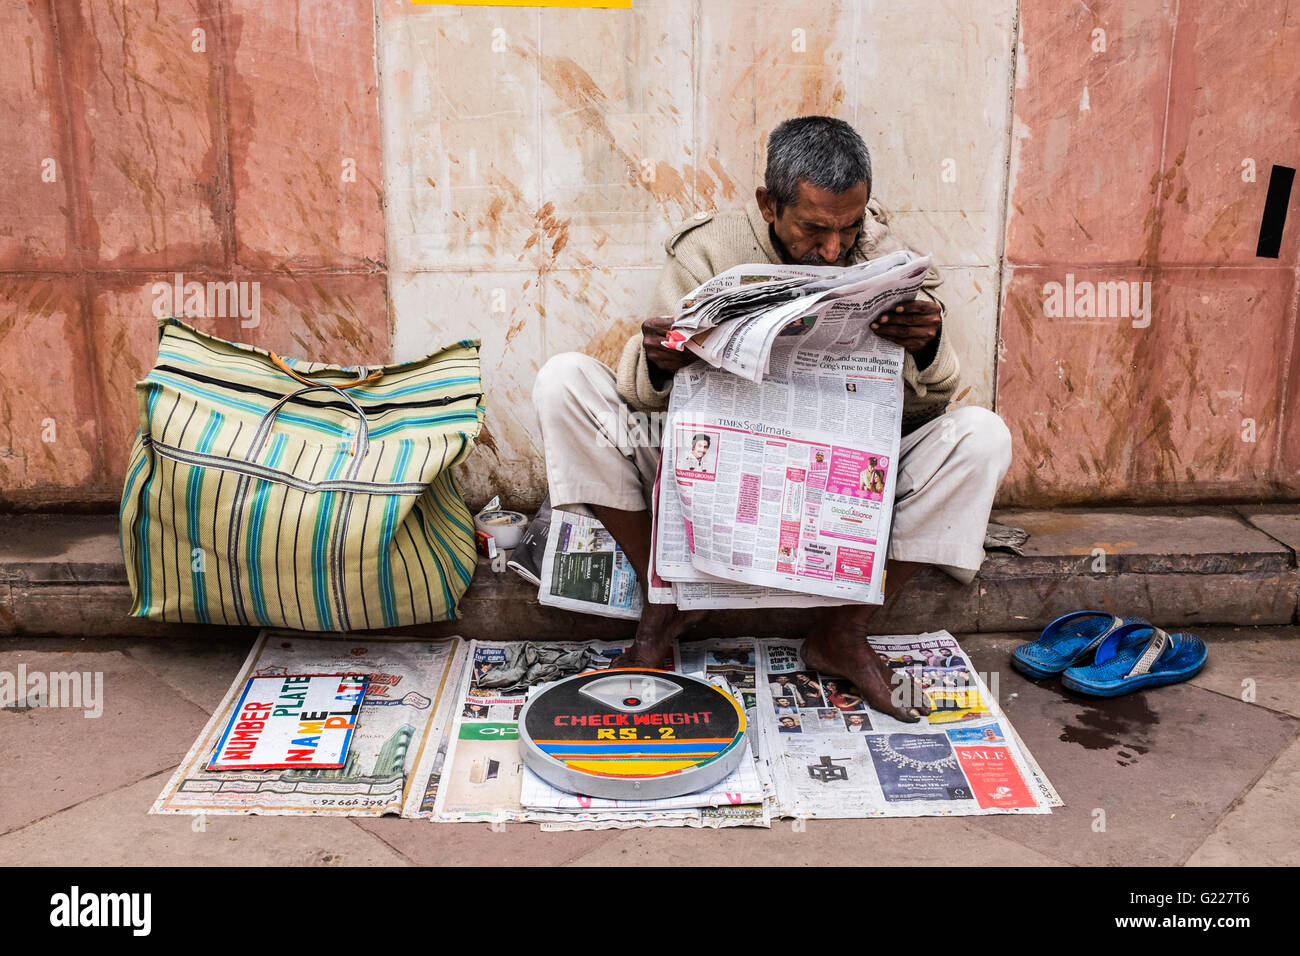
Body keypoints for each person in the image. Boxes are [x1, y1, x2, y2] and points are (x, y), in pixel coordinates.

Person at [533, 115, 1012, 723]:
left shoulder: (889, 261)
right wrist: (658, 359)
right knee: (563, 381)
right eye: (814, 229)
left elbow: (923, 410)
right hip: (710, 464)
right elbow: (648, 404)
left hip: (833, 477)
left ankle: (842, 630)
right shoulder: (706, 251)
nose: (834, 249)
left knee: (983, 437)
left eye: (849, 228)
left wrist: (926, 346)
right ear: (769, 205)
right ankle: (665, 602)